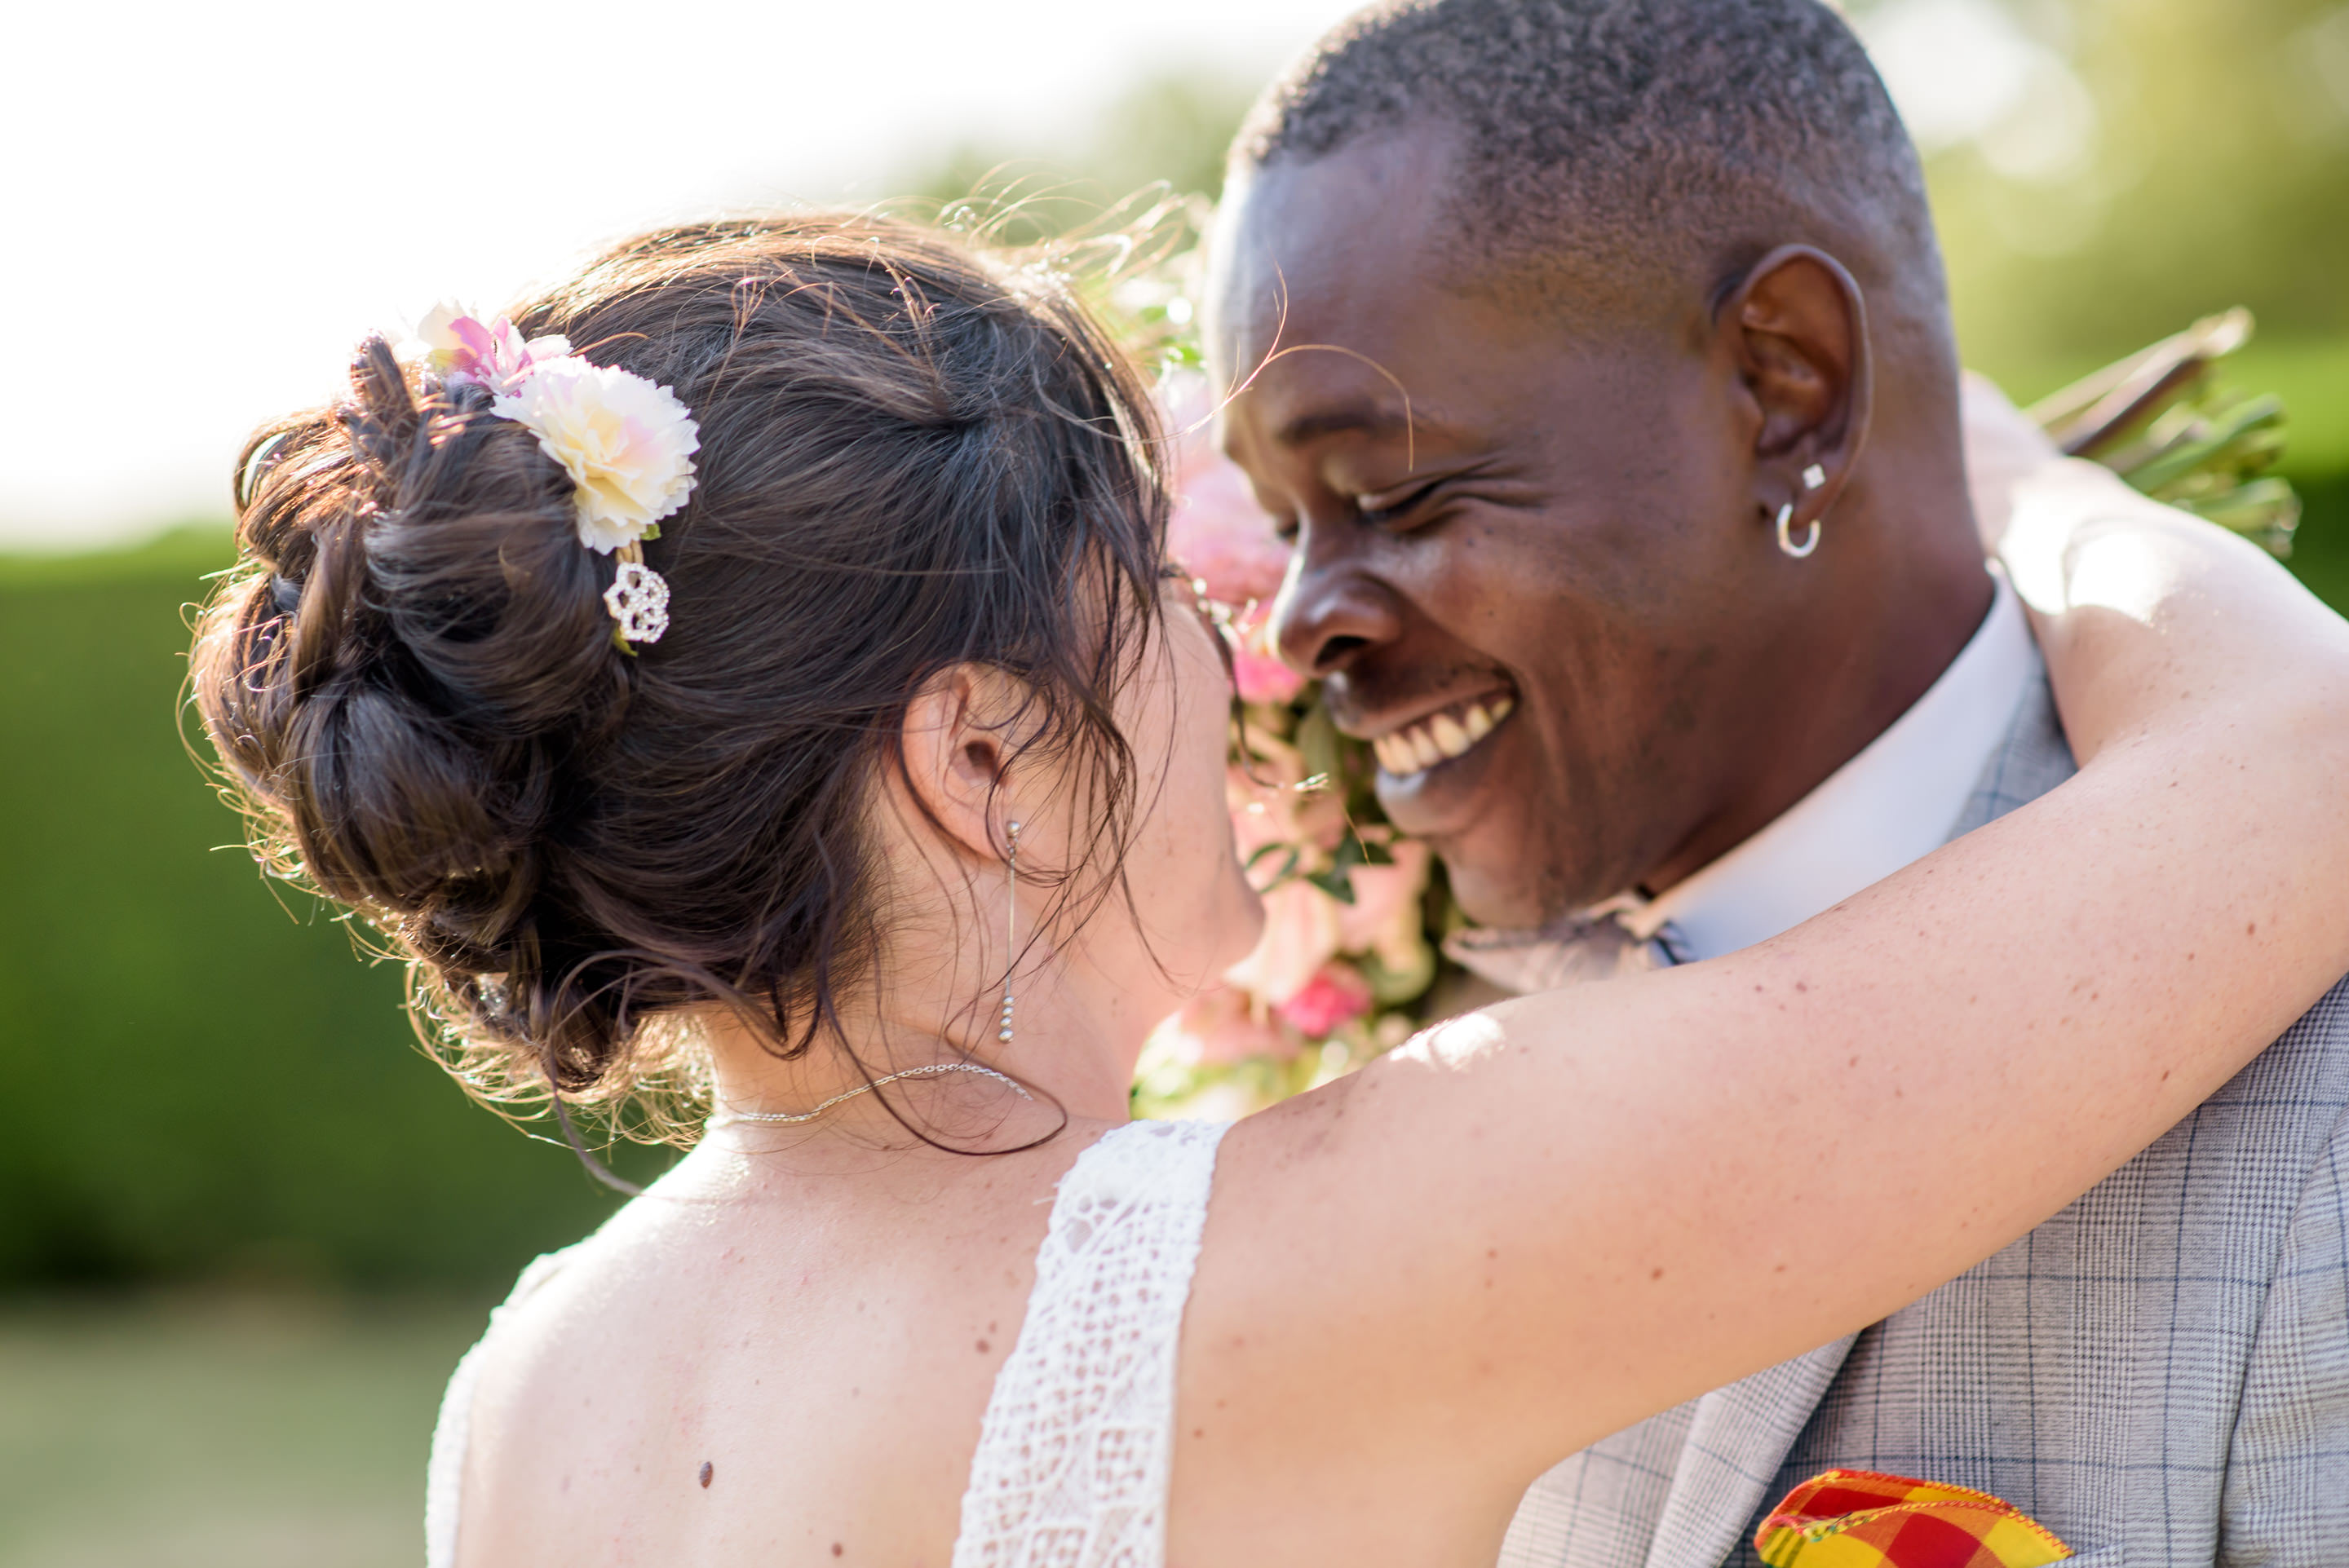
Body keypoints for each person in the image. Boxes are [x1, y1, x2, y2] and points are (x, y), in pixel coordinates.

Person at [187, 212, 2349, 1568]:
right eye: (1152, 584)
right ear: (980, 756)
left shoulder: (533, 1389)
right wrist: (2015, 488)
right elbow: (2306, 770)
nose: (1255, 651)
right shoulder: (1325, 1251)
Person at [1206, 1, 2349, 1562]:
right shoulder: (1386, 1032)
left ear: (1786, 384)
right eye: (1282, 527)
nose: (1296, 622)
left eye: (1396, 493)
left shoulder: (2313, 1113)